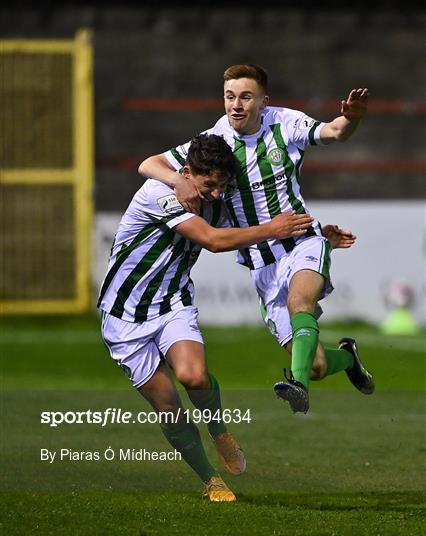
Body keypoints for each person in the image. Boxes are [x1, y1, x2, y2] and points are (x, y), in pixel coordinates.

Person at [138, 63, 375, 415]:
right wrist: (179, 181)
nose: (236, 104)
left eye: (245, 97)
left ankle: (297, 388)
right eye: (230, 97)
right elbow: (149, 164)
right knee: (317, 366)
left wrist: (352, 119)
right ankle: (347, 359)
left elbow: (335, 131)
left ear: (264, 101)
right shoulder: (217, 140)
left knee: (300, 302)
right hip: (262, 264)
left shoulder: (286, 123)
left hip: (301, 240)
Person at [98, 134, 315, 502]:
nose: (215, 193)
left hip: (173, 304)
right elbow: (213, 240)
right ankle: (210, 479)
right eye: (208, 184)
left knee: (193, 375)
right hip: (123, 316)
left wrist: (319, 235)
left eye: (221, 185)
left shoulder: (215, 201)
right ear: (186, 172)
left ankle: (219, 432)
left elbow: (255, 220)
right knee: (167, 403)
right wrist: (272, 229)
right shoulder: (159, 194)